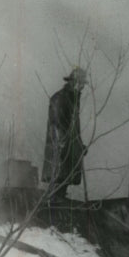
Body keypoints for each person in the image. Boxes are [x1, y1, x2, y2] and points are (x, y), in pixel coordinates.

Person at [42, 67, 88, 225]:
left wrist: (79, 144)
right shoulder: (60, 98)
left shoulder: (73, 99)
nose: (83, 87)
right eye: (81, 83)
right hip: (60, 146)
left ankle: (58, 202)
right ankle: (51, 211)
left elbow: (73, 127)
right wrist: (65, 144)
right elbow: (58, 125)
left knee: (65, 179)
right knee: (59, 177)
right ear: (73, 82)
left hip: (68, 145)